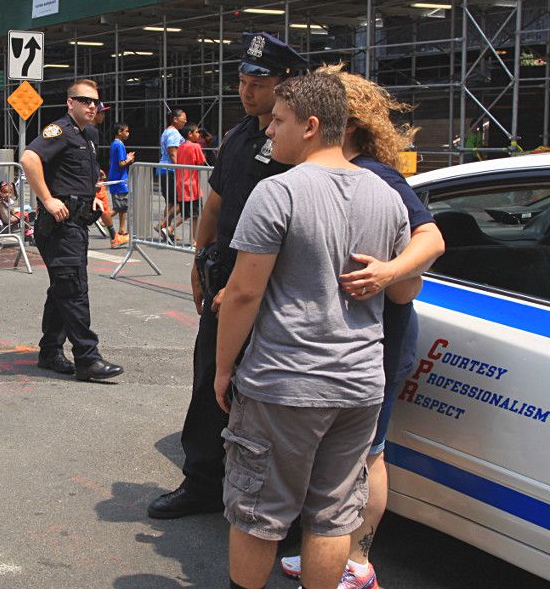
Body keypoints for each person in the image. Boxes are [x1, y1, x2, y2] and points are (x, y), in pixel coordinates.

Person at [214, 71, 419, 589]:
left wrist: (222, 369)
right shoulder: (387, 196)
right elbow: (403, 293)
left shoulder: (278, 192)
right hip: (359, 385)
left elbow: (242, 293)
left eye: (277, 122)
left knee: (259, 512)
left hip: (286, 382)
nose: (267, 132)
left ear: (310, 126)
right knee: (332, 515)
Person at [278, 63, 445, 589]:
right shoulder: (331, 173)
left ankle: (356, 562)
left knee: (367, 450)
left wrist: (389, 271)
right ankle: (333, 554)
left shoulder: (378, 175)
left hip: (380, 333)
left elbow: (432, 241)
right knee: (342, 455)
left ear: (344, 122)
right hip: (355, 335)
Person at [147, 32, 305, 520]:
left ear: (286, 83)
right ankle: (202, 482)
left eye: (258, 81)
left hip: (268, 292)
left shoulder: (295, 143)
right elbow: (214, 204)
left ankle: (269, 505)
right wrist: (198, 265)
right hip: (224, 283)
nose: (247, 89)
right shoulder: (239, 135)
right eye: (241, 80)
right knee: (207, 387)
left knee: (261, 398)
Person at [21, 78, 123, 382]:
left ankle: (50, 351)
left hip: (77, 223)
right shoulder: (60, 131)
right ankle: (87, 358)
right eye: (85, 100)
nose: (92, 106)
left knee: (62, 290)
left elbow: (80, 176)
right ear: (70, 103)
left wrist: (90, 199)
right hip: (60, 226)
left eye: (95, 102)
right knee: (74, 289)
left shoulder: (88, 135)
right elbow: (28, 158)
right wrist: (48, 199)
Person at [155, 108, 186, 242]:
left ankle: (166, 231)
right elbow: (173, 153)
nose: (185, 121)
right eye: (183, 118)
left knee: (171, 202)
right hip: (171, 170)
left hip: (165, 169)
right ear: (175, 119)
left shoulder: (167, 131)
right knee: (181, 201)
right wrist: (181, 169)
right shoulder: (173, 133)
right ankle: (162, 225)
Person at [174, 123, 207, 243]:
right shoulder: (195, 146)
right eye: (197, 132)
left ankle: (170, 228)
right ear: (190, 134)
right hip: (192, 184)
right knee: (195, 214)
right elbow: (201, 162)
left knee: (187, 212)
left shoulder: (181, 146)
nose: (199, 134)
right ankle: (193, 239)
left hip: (182, 182)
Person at [108, 123, 135, 239]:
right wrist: (129, 159)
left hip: (117, 177)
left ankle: (122, 229)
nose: (128, 133)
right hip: (119, 179)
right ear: (120, 132)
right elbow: (121, 163)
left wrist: (127, 159)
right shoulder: (119, 145)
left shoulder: (115, 144)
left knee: (122, 206)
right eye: (126, 131)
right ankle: (105, 219)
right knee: (121, 206)